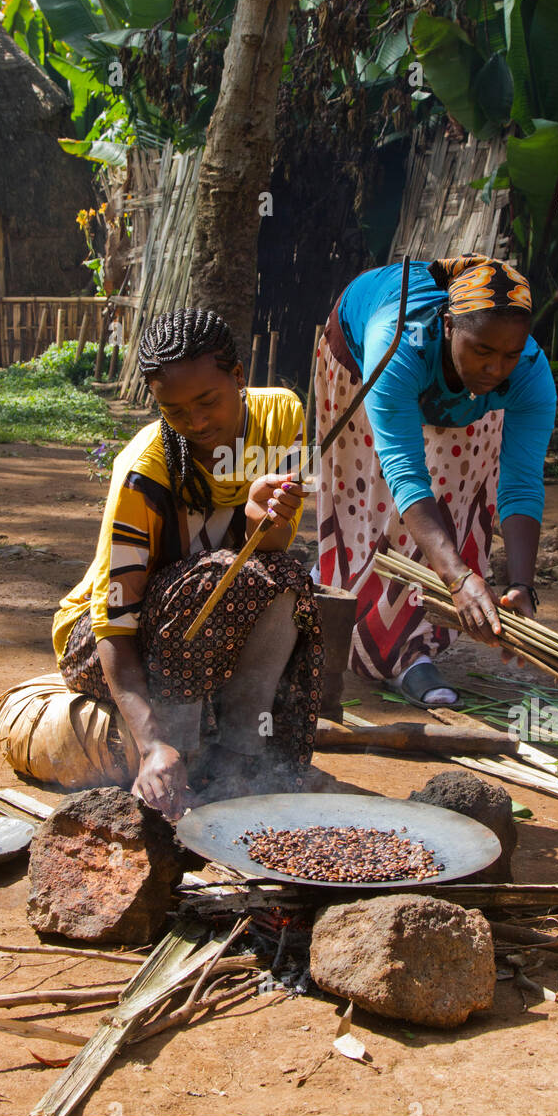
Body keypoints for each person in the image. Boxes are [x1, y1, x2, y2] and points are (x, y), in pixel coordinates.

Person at [52, 307, 323, 820]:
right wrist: (152, 743)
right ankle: (178, 759)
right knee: (209, 579)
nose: (196, 423)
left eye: (208, 401)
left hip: (198, 624)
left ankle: (243, 756)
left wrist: (257, 517)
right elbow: (115, 621)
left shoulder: (281, 417)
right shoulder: (144, 472)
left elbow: (273, 547)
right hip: (99, 640)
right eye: (174, 411)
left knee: (286, 576)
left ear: (239, 377)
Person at [314, 253, 556, 706]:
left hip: (451, 389)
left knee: (457, 496)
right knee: (377, 505)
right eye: (482, 350)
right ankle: (381, 639)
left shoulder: (528, 371)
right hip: (361, 354)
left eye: (509, 354)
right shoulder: (395, 346)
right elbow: (404, 472)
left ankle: (414, 644)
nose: (494, 368)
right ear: (448, 325)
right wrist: (460, 579)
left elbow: (520, 483)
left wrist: (522, 585)